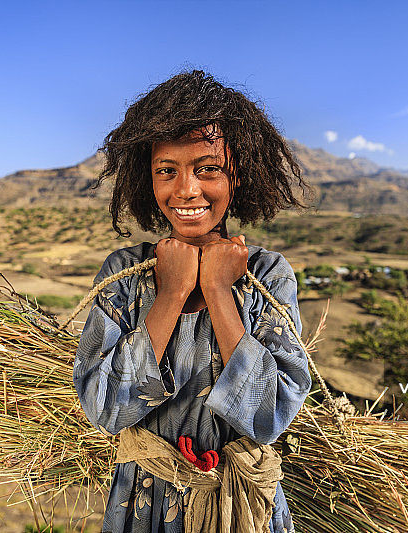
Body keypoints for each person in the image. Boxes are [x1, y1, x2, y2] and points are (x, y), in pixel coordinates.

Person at [73, 70, 311, 533]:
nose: (185, 189)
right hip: (145, 505)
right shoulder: (126, 276)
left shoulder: (265, 276)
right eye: (167, 170)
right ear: (148, 179)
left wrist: (220, 291)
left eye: (208, 168)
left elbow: (268, 415)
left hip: (241, 505)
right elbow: (104, 409)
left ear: (238, 173)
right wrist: (173, 293)